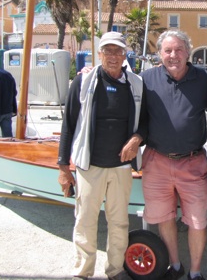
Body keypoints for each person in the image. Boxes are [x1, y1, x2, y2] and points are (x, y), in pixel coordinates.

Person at [57, 31, 144, 280]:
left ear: (125, 54)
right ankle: (82, 271)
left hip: (121, 168)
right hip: (89, 166)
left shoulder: (136, 84)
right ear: (99, 54)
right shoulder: (83, 81)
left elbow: (145, 122)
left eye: (118, 51)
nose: (113, 56)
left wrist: (137, 139)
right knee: (85, 221)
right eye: (108, 51)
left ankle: (115, 270)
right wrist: (63, 167)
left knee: (119, 223)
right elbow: (68, 125)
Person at [138, 30, 207, 280]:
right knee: (163, 217)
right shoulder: (146, 79)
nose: (173, 55)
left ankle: (195, 272)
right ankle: (176, 266)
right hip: (156, 161)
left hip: (193, 162)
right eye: (167, 50)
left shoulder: (204, 78)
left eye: (179, 49)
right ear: (159, 54)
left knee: (198, 221)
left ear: (188, 52)